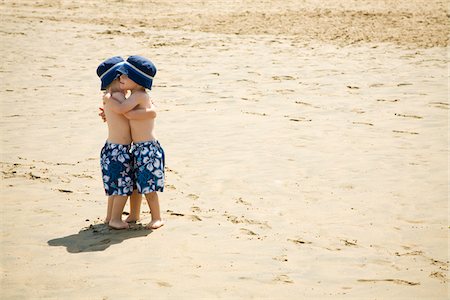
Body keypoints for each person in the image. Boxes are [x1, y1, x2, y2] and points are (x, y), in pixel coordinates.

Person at [103, 55, 165, 229]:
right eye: (119, 76)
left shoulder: (138, 96)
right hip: (138, 148)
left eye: (125, 76)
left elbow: (125, 111)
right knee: (136, 184)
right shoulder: (134, 95)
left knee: (148, 186)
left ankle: (157, 217)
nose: (121, 78)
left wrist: (109, 101)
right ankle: (134, 214)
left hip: (147, 148)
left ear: (137, 80)